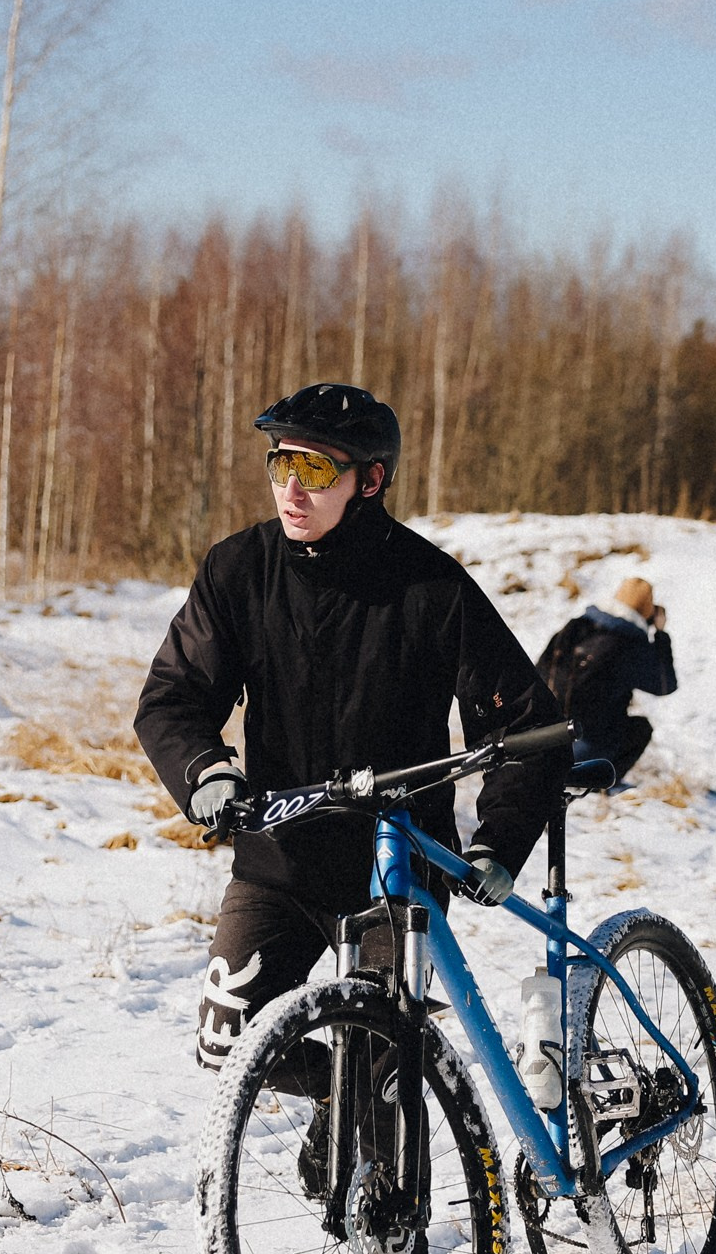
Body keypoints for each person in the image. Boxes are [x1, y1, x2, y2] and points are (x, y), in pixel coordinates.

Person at [136, 381, 567, 1076]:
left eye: (313, 469)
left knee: (379, 1070)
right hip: (280, 858)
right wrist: (205, 770)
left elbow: (526, 725)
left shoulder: (431, 587)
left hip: (396, 868)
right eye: (281, 463)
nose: (291, 489)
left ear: (369, 481)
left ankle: (369, 1118)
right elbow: (173, 696)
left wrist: (499, 841)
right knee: (227, 1047)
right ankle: (336, 1106)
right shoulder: (238, 570)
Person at [536, 575, 677, 779]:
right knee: (641, 729)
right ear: (647, 613)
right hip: (579, 747)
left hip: (538, 737)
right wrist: (661, 634)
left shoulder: (575, 626)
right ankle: (600, 781)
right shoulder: (629, 644)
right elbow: (665, 685)